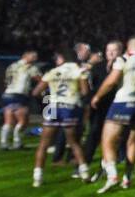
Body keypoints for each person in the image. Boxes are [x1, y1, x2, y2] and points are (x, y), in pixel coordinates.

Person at [92, 35, 135, 193]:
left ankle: (112, 176)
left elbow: (111, 81)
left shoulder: (124, 59)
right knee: (131, 141)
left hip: (122, 102)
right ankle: (127, 177)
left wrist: (97, 96)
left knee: (107, 140)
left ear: (128, 47)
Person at [29, 50, 90, 187]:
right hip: (69, 106)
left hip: (53, 106)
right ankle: (84, 172)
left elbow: (36, 92)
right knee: (73, 142)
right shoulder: (79, 71)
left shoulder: (52, 72)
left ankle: (37, 177)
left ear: (61, 58)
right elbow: (85, 91)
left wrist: (47, 99)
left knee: (43, 144)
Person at [82, 41, 122, 176]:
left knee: (113, 137)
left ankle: (108, 165)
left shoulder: (122, 66)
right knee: (94, 133)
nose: (110, 53)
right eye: (108, 50)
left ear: (120, 51)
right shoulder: (97, 66)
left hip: (116, 104)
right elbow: (92, 86)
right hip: (99, 106)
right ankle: (84, 162)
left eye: (114, 50)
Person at [0, 50, 42, 150]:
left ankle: (3, 143)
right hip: (20, 95)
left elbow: (6, 81)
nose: (35, 58)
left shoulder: (11, 66)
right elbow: (40, 79)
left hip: (7, 94)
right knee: (23, 121)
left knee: (8, 121)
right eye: (33, 56)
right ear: (25, 56)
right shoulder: (31, 67)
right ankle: (17, 142)